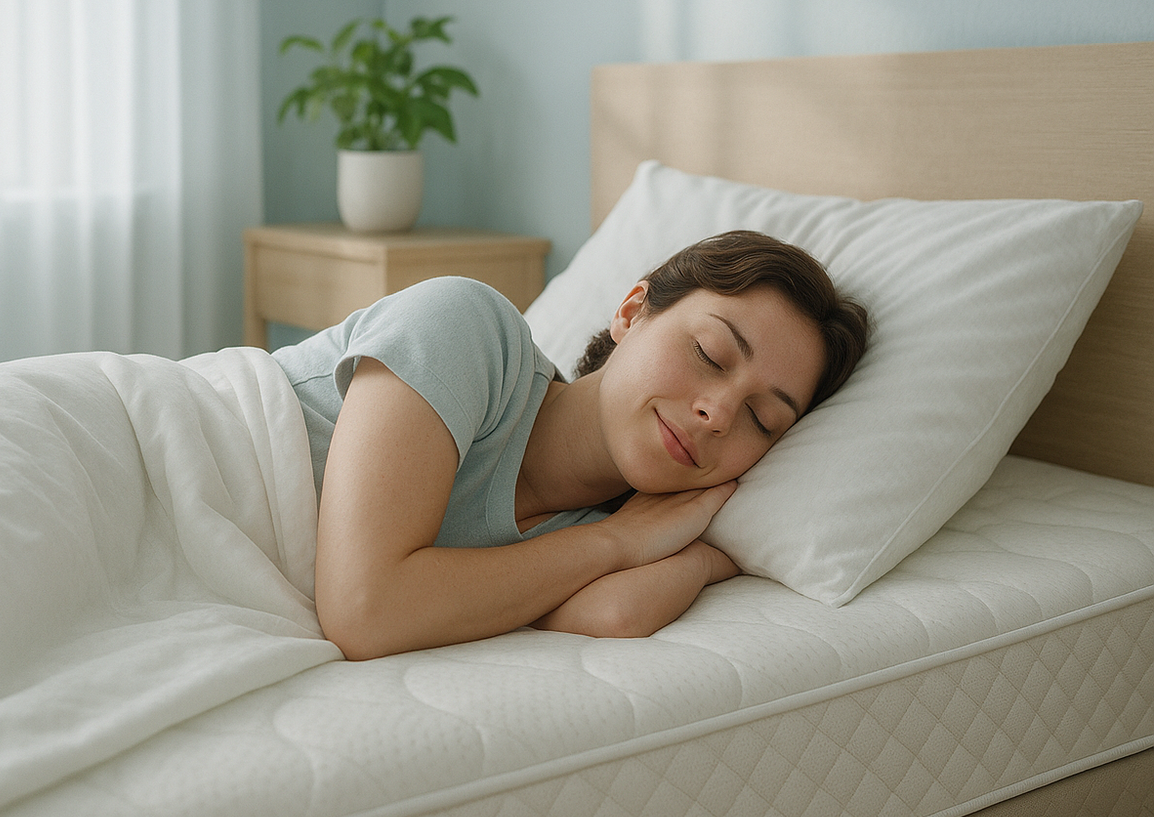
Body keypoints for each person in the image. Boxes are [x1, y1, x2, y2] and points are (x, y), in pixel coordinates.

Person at [271, 230, 868, 660]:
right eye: (709, 354)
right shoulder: (469, 331)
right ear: (633, 312)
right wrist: (614, 542)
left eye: (762, 420)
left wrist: (725, 554)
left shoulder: (595, 529)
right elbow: (365, 610)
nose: (717, 415)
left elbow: (614, 615)